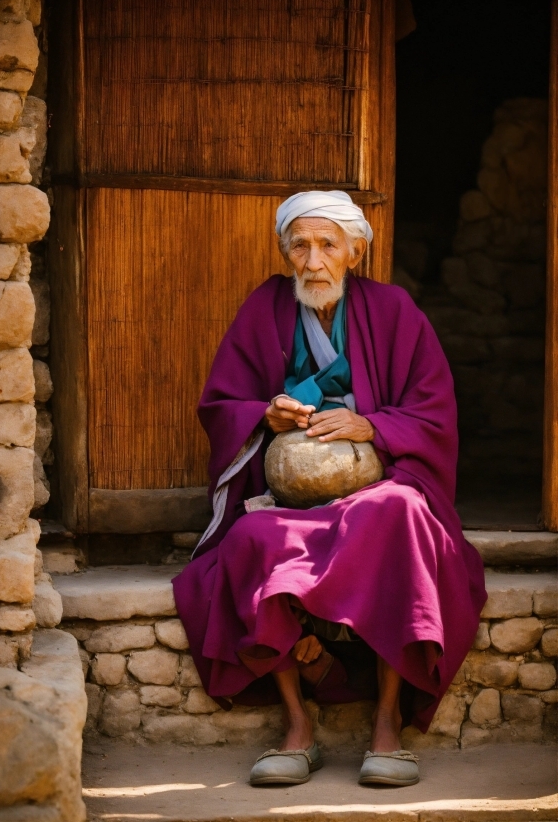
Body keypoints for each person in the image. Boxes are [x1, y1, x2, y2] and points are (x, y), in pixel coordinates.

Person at [173, 190, 487, 787]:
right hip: (288, 495)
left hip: (377, 483)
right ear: (284, 252)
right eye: (300, 246)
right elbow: (221, 403)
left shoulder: (394, 310)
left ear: (355, 251)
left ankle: (388, 725)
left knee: (399, 514)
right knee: (251, 539)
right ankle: (297, 726)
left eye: (327, 245)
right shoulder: (264, 308)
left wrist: (373, 425)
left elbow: (435, 411)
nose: (313, 260)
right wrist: (265, 416)